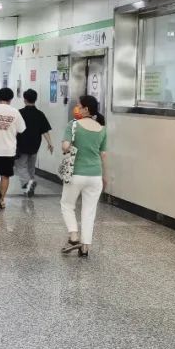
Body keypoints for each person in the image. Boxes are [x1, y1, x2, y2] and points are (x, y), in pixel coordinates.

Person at [60, 96, 108, 258]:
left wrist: (68, 147)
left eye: (79, 106)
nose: (77, 108)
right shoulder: (102, 128)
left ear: (86, 109)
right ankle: (85, 247)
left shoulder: (73, 125)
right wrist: (104, 176)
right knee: (89, 211)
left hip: (76, 173)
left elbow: (66, 146)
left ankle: (74, 237)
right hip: (95, 175)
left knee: (67, 204)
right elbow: (103, 155)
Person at [15, 89, 54, 197]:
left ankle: (28, 183)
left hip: (22, 144)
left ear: (24, 99)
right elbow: (45, 130)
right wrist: (50, 143)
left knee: (20, 166)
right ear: (35, 99)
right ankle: (28, 189)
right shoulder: (40, 114)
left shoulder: (19, 113)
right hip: (35, 144)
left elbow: (15, 130)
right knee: (31, 167)